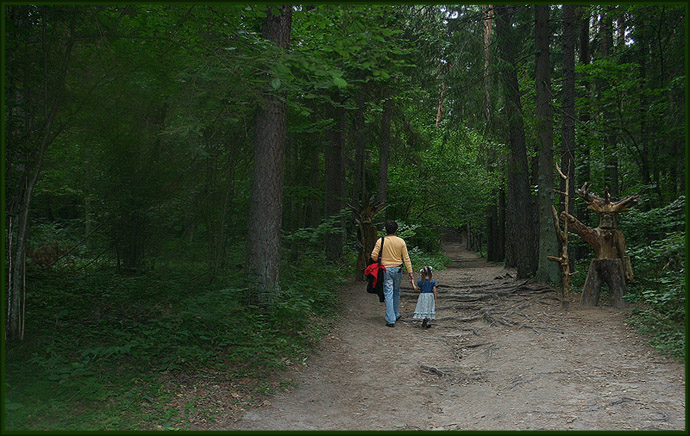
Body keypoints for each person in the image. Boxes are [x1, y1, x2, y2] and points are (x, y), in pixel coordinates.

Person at [370, 220, 414, 327]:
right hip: (398, 269)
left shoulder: (381, 241)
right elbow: (406, 258)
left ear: (386, 230)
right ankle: (395, 313)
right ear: (396, 230)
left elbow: (373, 256)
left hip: (385, 270)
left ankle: (390, 319)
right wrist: (410, 272)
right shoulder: (401, 241)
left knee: (388, 292)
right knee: (396, 291)